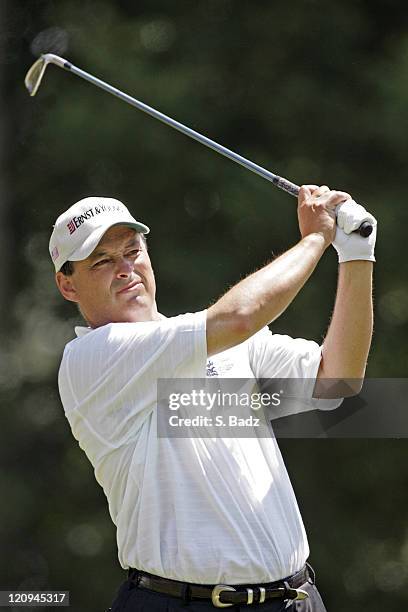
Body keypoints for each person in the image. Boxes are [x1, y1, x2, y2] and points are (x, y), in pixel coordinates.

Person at [50, 185, 376, 611]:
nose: (126, 269)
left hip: (295, 599)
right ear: (67, 286)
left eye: (133, 251)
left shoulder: (215, 341)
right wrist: (316, 238)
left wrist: (356, 255)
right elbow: (239, 317)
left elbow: (338, 381)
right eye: (102, 262)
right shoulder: (92, 358)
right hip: (180, 602)